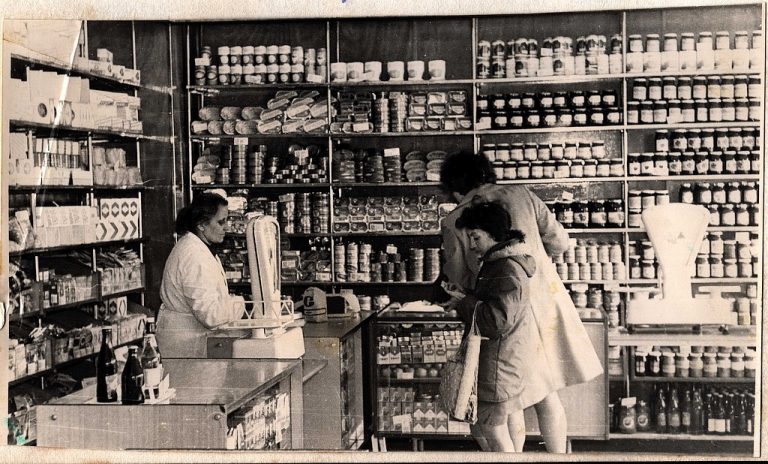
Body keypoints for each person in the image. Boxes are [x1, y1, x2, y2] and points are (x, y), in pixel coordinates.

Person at [440, 151, 603, 453]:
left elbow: (458, 276)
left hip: (501, 316)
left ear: (454, 187)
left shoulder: (455, 219)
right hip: (543, 305)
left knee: (507, 404)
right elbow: (560, 242)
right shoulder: (522, 194)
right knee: (546, 394)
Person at [450, 200, 540, 452]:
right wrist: (467, 296)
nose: (471, 245)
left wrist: (465, 302)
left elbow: (496, 320)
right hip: (506, 361)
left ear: (490, 234)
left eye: (475, 237)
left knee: (491, 429)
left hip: (497, 365)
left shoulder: (505, 267)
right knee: (504, 424)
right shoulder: (504, 262)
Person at [156, 192, 244, 358]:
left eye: (227, 220)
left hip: (191, 339)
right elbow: (210, 315)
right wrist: (240, 303)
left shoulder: (200, 247)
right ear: (202, 225)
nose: (227, 227)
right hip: (184, 344)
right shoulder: (193, 255)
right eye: (221, 222)